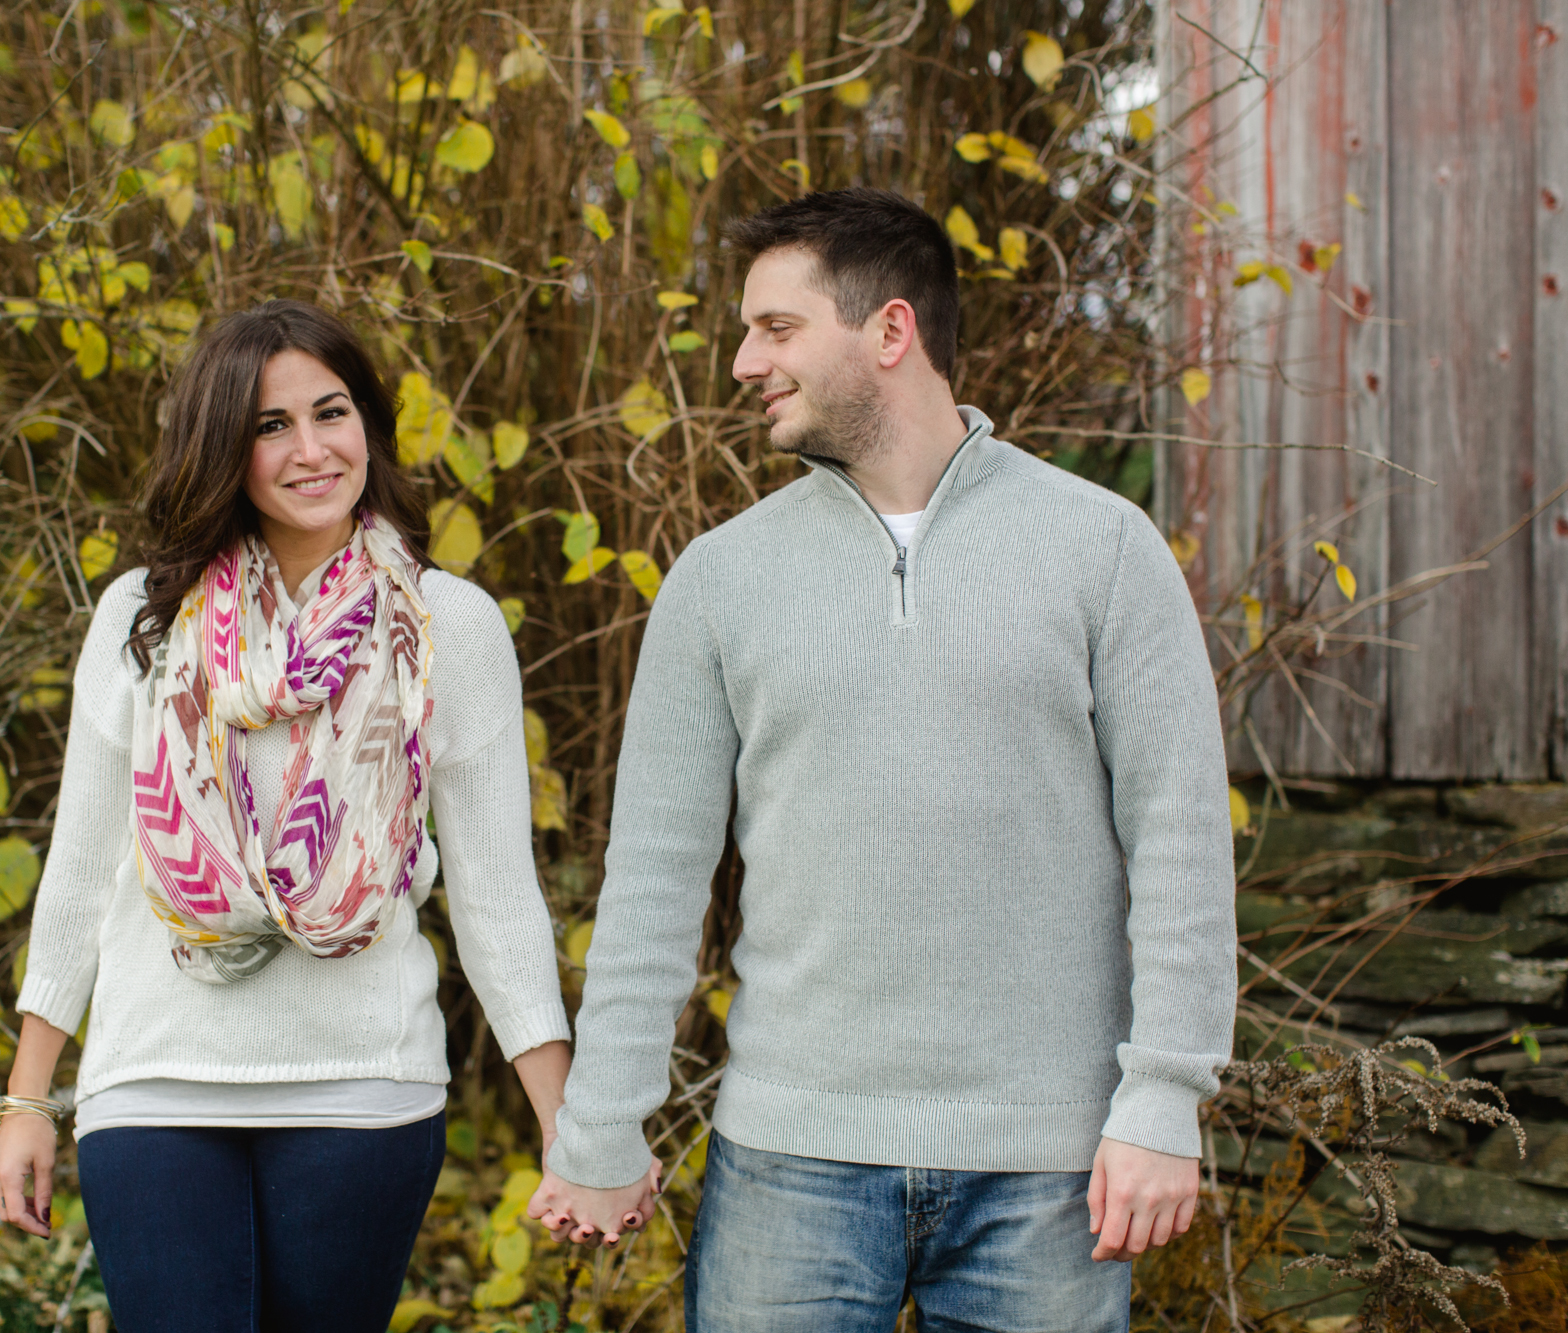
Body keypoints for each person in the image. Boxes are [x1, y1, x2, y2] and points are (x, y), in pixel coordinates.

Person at [527, 188, 1237, 1331]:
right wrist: (602, 1122)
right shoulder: (718, 580)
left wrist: (1162, 1094)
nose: (743, 360)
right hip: (787, 1160)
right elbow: (655, 874)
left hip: (1048, 1170)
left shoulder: (1102, 549)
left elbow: (1181, 843)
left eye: (775, 327)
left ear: (889, 331)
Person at [0, 300, 572, 1333]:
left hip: (362, 1089)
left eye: (330, 412)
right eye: (269, 426)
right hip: (152, 1082)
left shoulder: (449, 627)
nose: (310, 450)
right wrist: (28, 1098)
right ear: (222, 449)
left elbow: (494, 899)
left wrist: (569, 1126)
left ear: (368, 426)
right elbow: (79, 873)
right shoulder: (142, 617)